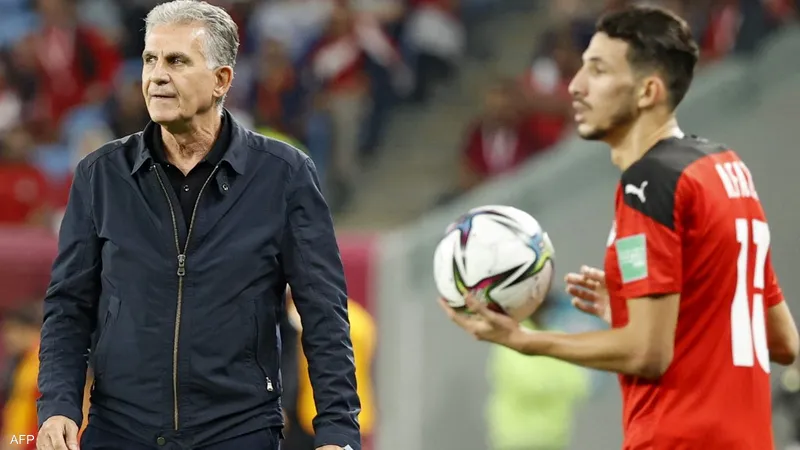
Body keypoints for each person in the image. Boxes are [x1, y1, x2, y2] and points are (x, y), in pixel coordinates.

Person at [440, 5, 799, 450]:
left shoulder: (648, 184)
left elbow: (647, 354)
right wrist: (632, 317)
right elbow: (782, 341)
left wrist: (525, 340)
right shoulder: (726, 168)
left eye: (598, 71)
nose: (576, 85)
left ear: (648, 91)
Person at [36, 2, 360, 450]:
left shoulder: (284, 174)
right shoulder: (100, 175)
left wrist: (338, 432)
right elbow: (68, 307)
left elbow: (323, 311)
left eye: (177, 61)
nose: (156, 76)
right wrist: (58, 405)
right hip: (120, 429)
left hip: (239, 430)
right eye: (150, 59)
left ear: (221, 80)